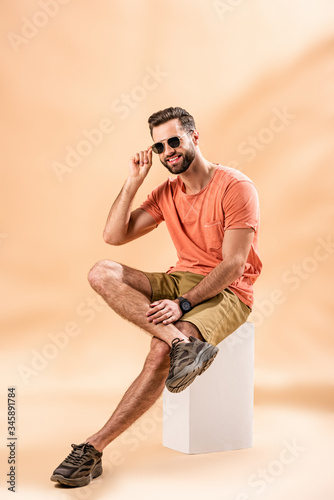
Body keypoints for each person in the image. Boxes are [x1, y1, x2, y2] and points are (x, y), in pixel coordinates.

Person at [50, 106, 262, 487]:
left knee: (159, 352)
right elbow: (115, 236)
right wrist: (133, 180)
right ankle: (184, 344)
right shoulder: (167, 191)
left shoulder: (235, 187)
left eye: (174, 141)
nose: (168, 152)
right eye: (160, 146)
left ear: (194, 137)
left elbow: (233, 264)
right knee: (102, 271)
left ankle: (93, 449)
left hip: (229, 293)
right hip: (179, 278)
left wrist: (182, 305)